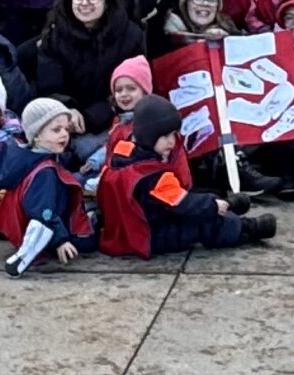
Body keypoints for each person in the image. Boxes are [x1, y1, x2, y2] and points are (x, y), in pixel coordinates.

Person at [97, 94, 275, 255]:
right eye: (164, 136)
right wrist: (211, 206)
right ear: (148, 137)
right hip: (150, 235)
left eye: (173, 135)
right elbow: (183, 203)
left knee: (194, 203)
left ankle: (227, 205)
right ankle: (248, 228)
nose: (172, 141)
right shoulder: (152, 176)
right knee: (202, 221)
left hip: (128, 229)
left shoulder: (122, 154)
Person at [26, 0, 147, 153]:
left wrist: (90, 117)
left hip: (112, 117)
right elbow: (49, 86)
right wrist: (69, 110)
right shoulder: (55, 35)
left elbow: (133, 86)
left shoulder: (130, 36)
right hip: (64, 118)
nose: (85, 3)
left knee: (88, 149)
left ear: (106, 2)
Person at [0, 98, 97, 276]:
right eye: (56, 130)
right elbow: (42, 209)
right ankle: (37, 244)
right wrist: (60, 240)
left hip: (41, 220)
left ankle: (36, 241)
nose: (64, 134)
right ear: (36, 135)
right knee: (89, 241)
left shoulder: (28, 158)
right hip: (48, 224)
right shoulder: (45, 171)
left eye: (66, 129)